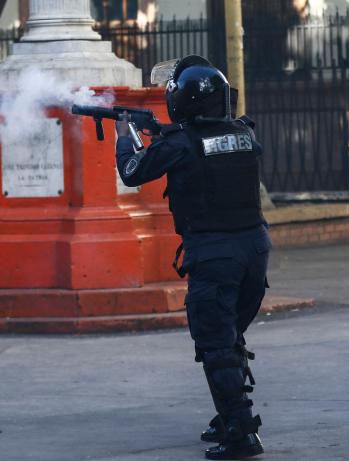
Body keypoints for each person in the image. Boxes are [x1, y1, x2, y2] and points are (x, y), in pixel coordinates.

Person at [115, 55, 271, 460]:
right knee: (229, 336)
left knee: (215, 343)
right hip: (254, 251)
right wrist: (164, 133)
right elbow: (205, 147)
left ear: (183, 100)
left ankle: (241, 434)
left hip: (214, 255)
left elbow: (133, 170)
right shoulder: (242, 133)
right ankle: (229, 412)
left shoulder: (180, 144)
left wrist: (125, 132)